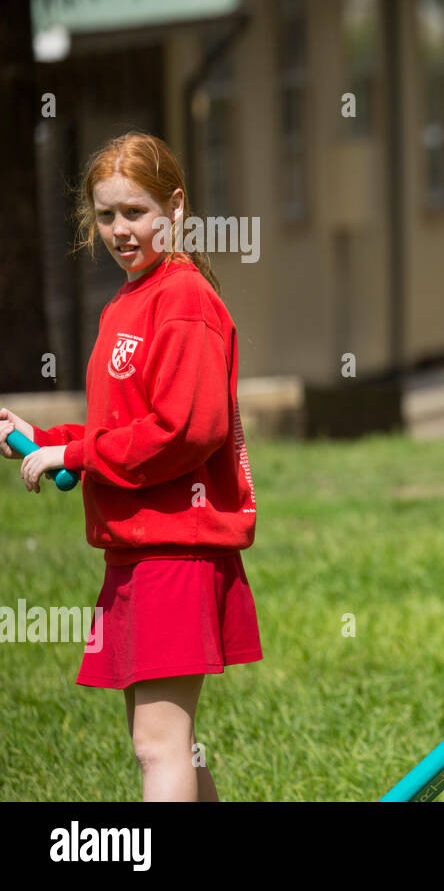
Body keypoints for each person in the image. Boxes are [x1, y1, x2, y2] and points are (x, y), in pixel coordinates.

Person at [0, 132, 260, 802]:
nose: (121, 230)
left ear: (175, 207)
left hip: (177, 549)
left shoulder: (185, 299)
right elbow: (126, 426)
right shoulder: (127, 302)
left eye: (136, 212)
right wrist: (48, 439)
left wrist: (77, 455)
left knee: (158, 745)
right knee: (170, 744)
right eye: (107, 214)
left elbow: (186, 430)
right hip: (136, 553)